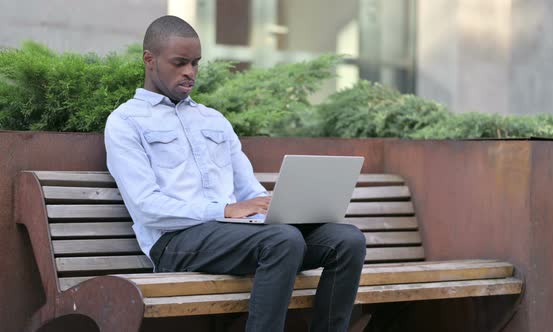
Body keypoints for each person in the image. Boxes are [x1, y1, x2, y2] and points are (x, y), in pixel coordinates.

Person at [104, 15, 366, 332]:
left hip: (237, 235)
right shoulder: (126, 122)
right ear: (149, 59)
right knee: (282, 241)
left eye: (195, 63)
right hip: (175, 242)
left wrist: (273, 208)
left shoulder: (213, 120)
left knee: (347, 239)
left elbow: (248, 191)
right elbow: (147, 207)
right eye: (180, 63)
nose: (190, 72)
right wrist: (225, 210)